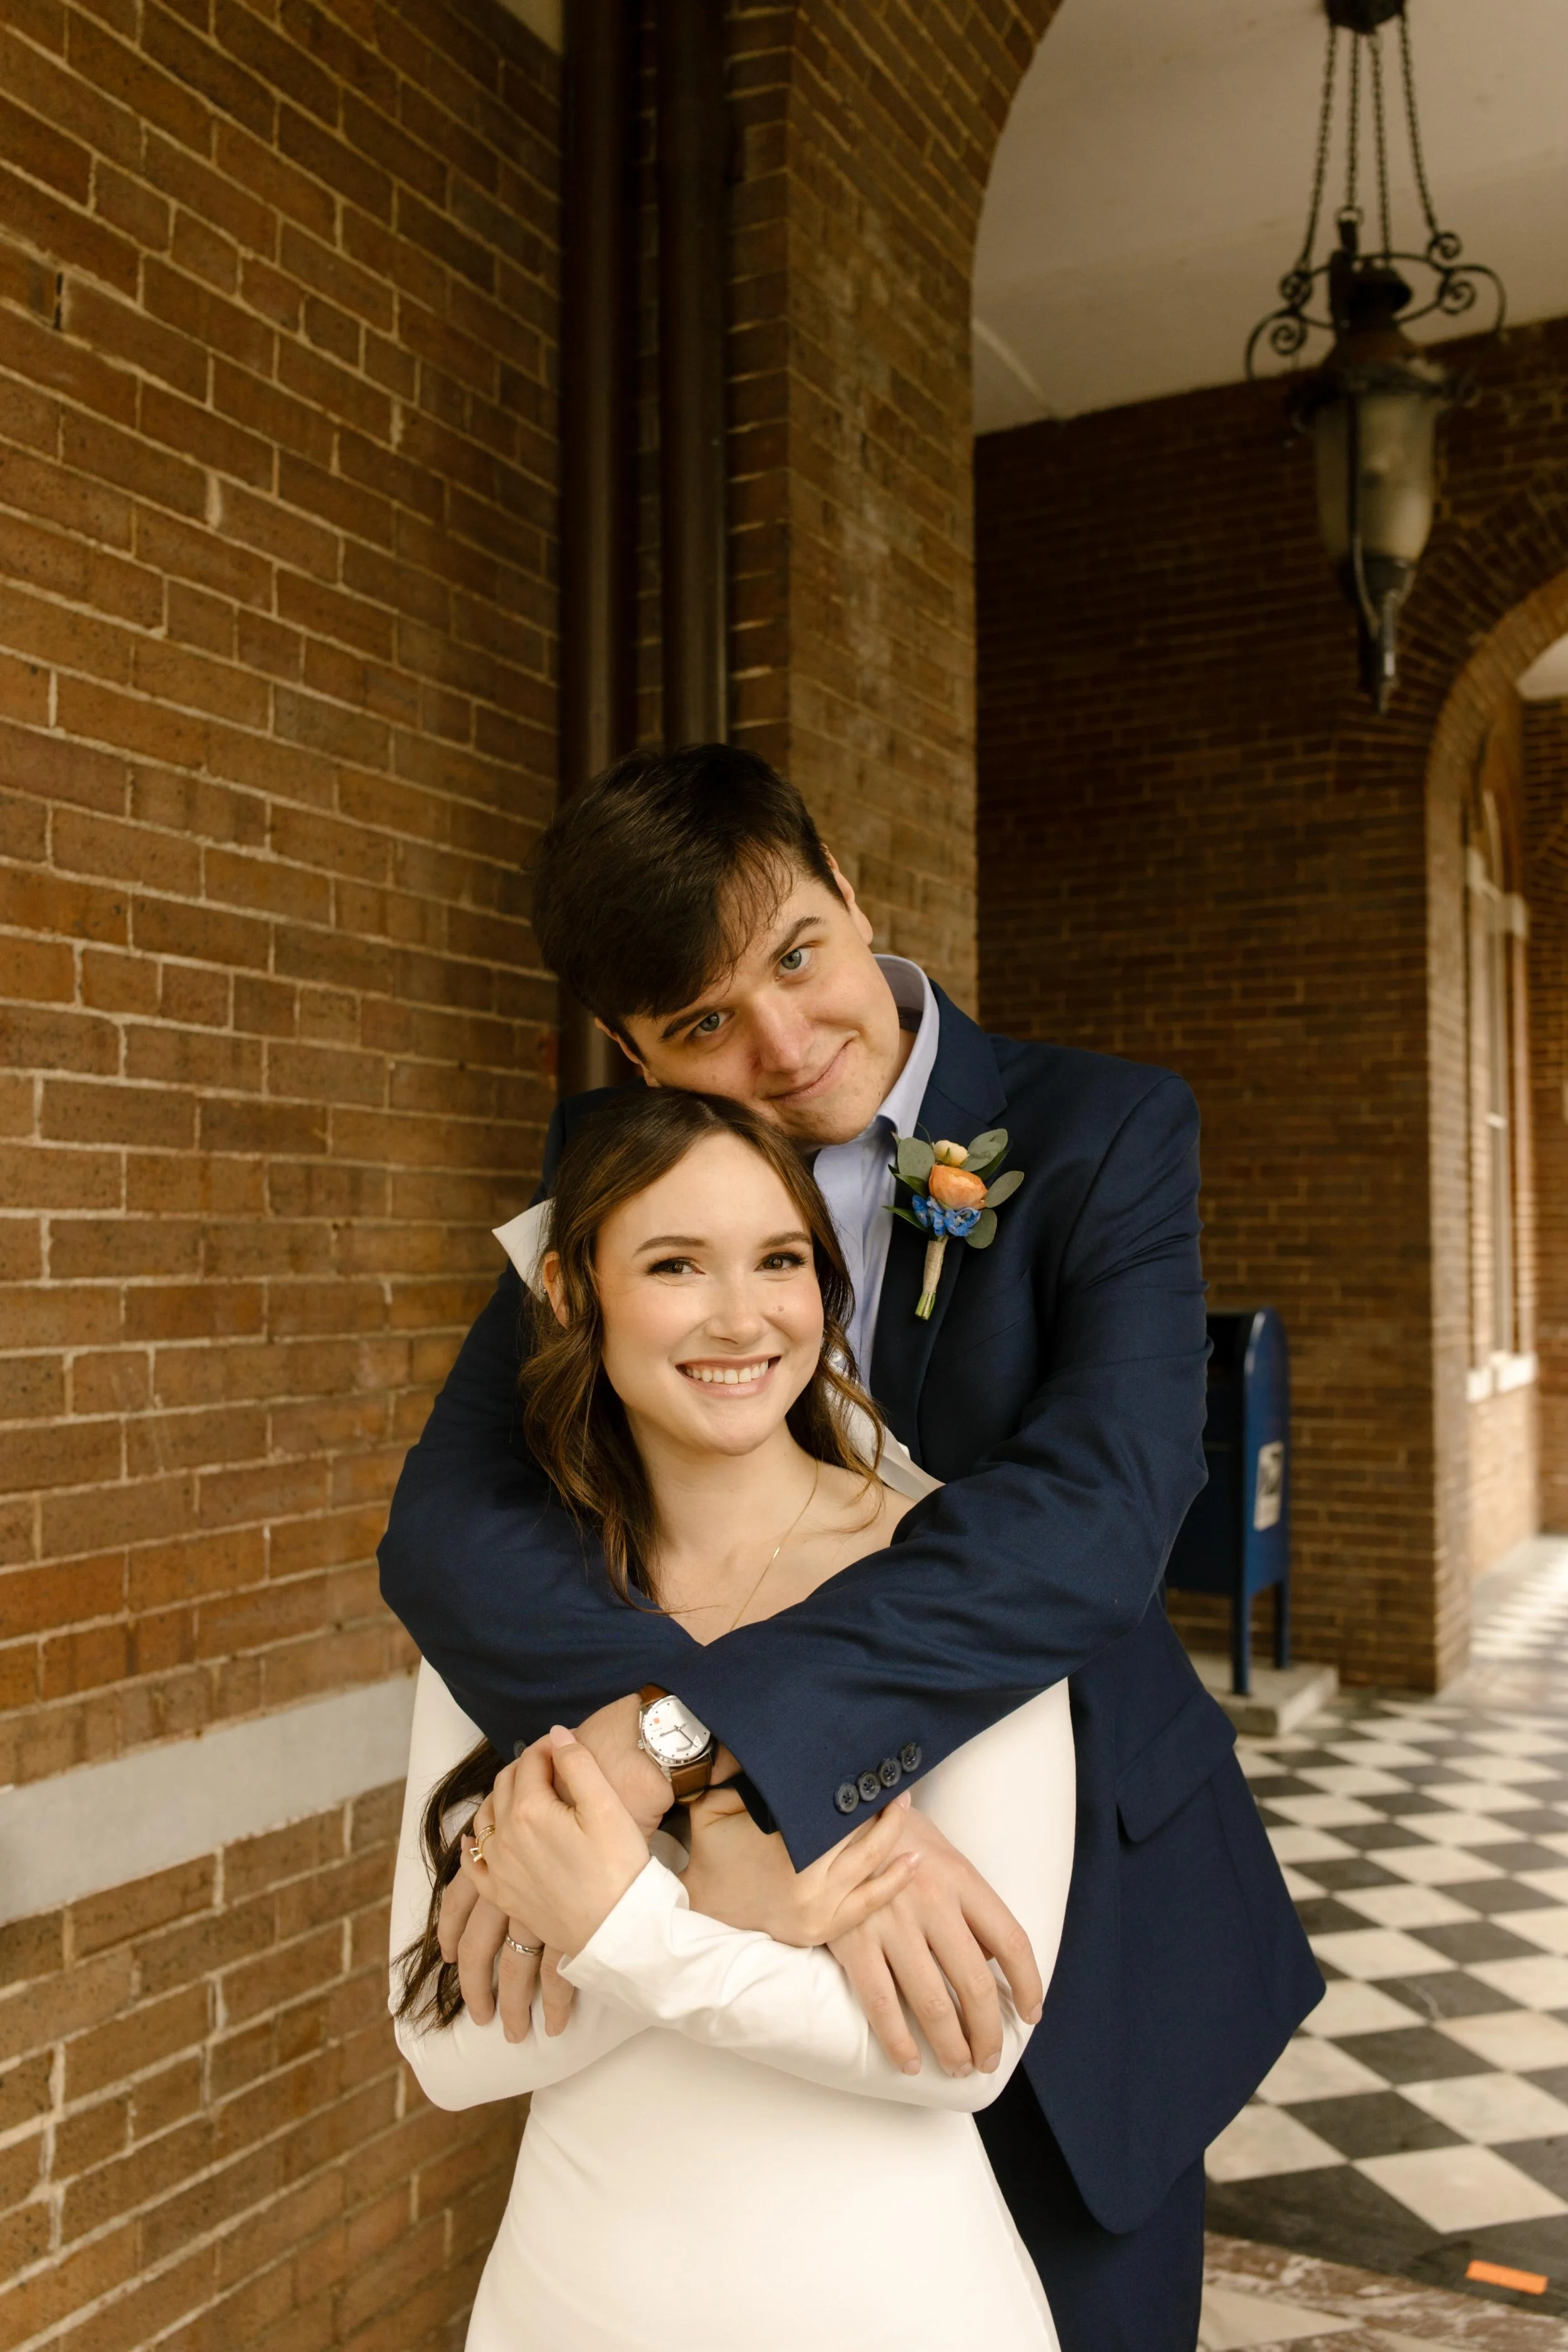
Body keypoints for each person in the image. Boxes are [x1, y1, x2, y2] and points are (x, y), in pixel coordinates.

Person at [379, 744, 1321, 2352]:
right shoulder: (605, 1188)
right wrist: (724, 1802)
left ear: (849, 893)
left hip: (1076, 1918)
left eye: (797, 956)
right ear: (633, 1047)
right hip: (739, 2003)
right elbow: (457, 1524)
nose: (783, 1042)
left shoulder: (1100, 1131)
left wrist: (715, 1751)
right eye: (700, 1027)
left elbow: (1096, 1514)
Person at [390, 1088, 1076, 2348]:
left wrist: (628, 1927)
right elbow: (446, 2049)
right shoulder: (502, 1605)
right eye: (672, 1265)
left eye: (779, 1260)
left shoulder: (952, 1577)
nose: (742, 1315)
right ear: (565, 1292)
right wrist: (743, 1914)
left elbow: (967, 2050)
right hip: (575, 2304)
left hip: (897, 2305)